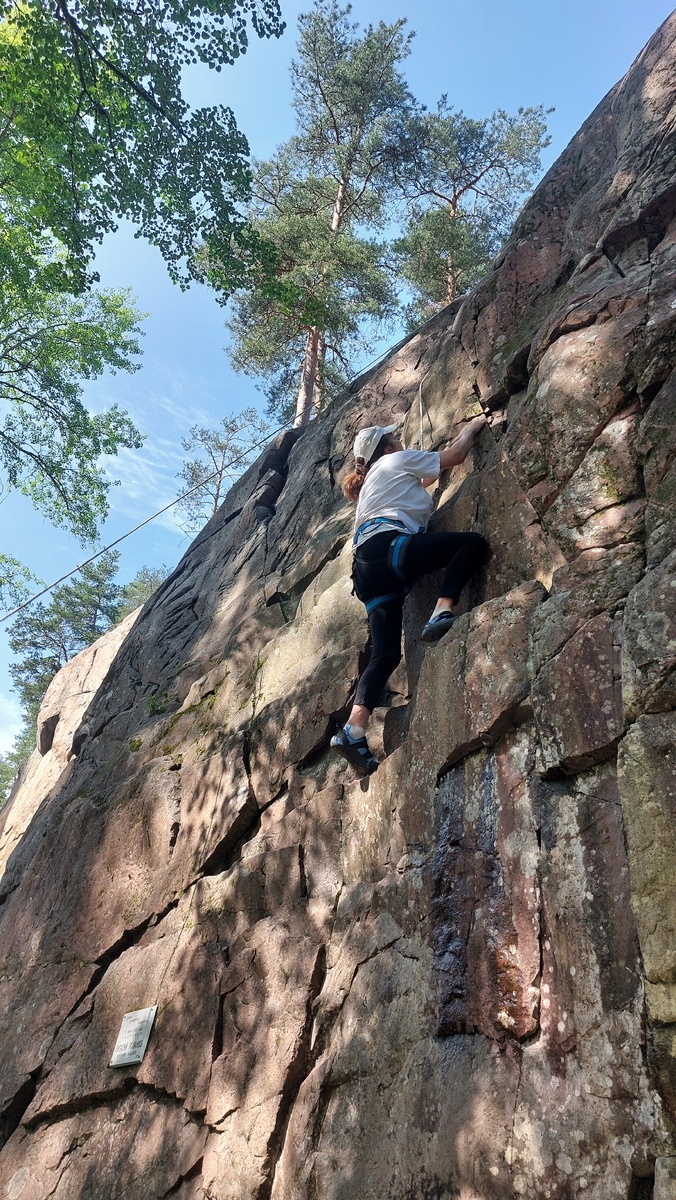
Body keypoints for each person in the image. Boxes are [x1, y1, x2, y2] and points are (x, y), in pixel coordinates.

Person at [331, 417, 489, 776]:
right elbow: (457, 455)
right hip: (390, 546)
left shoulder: (373, 480)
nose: (401, 441)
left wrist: (428, 468)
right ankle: (441, 611)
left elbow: (427, 478)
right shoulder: (395, 461)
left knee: (385, 655)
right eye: (395, 438)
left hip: (367, 570)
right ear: (387, 448)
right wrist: (471, 427)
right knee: (470, 544)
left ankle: (353, 731)